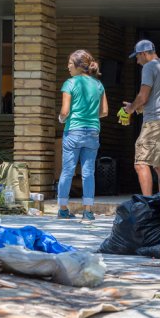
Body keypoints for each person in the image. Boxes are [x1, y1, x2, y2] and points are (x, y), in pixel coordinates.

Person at [57, 49, 109, 220]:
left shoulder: (70, 83)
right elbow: (104, 112)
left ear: (79, 66)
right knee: (88, 172)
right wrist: (90, 115)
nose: (67, 67)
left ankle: (63, 209)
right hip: (93, 132)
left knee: (68, 171)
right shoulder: (98, 84)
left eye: (70, 64)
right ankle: (88, 211)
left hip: (73, 131)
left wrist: (61, 118)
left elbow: (65, 111)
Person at [124, 39, 160, 196]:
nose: (137, 61)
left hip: (154, 121)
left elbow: (143, 96)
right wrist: (142, 107)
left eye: (137, 57)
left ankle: (147, 205)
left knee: (141, 163)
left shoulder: (149, 67)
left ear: (143, 53)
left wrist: (131, 108)